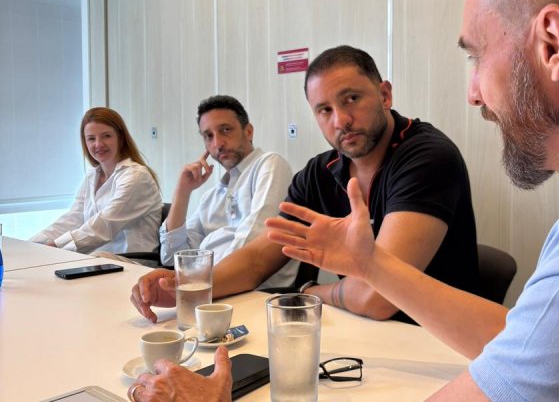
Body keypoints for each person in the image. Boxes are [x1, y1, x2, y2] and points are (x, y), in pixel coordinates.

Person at [268, 0, 559, 401]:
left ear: (551, 44)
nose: (473, 93)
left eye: (477, 56)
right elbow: (529, 340)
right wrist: (371, 265)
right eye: (324, 110)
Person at [131, 45, 477, 327]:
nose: (341, 120)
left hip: (435, 343)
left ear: (384, 95)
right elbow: (257, 260)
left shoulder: (427, 157)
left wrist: (310, 292)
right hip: (360, 331)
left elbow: (379, 297)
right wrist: (186, 287)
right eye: (324, 110)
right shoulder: (319, 173)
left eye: (352, 99)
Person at [156, 95, 294, 281]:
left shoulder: (269, 165)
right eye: (208, 136)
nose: (217, 144)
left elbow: (252, 241)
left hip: (254, 290)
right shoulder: (212, 196)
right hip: (209, 286)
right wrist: (183, 192)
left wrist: (196, 279)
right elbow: (171, 257)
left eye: (225, 130)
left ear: (248, 132)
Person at [29, 107, 162, 254]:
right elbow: (74, 218)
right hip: (97, 259)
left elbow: (104, 226)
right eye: (91, 138)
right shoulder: (93, 176)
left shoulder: (137, 177)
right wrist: (31, 245)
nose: (98, 144)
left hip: (130, 262)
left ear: (121, 138)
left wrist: (55, 246)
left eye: (106, 136)